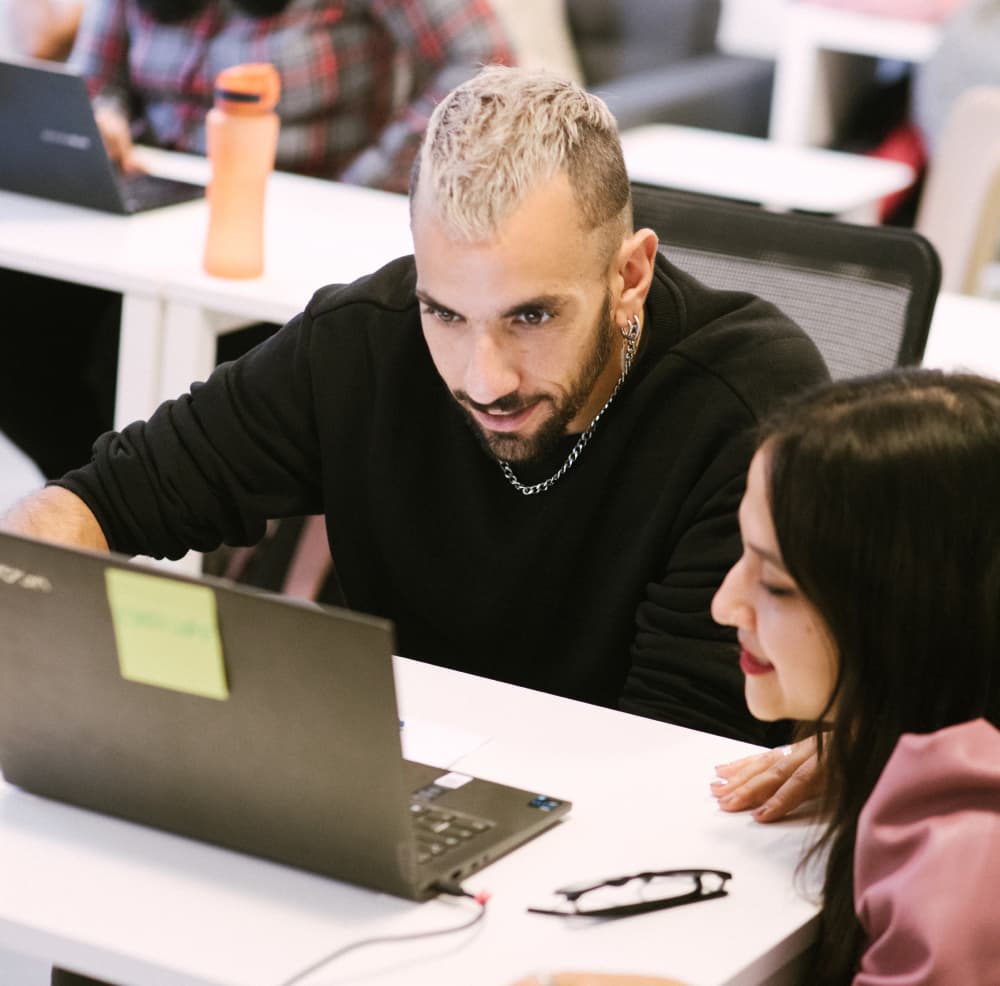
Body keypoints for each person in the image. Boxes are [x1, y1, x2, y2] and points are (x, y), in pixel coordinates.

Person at [4, 66, 828, 747]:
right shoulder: (364, 338)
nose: (485, 378)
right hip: (410, 778)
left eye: (531, 316)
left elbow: (677, 755)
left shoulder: (747, 403)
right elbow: (103, 500)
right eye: (446, 312)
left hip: (619, 834)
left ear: (630, 276)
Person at [518, 368, 1000, 986]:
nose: (724, 605)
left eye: (775, 583)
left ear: (915, 611)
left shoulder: (969, 859)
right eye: (740, 554)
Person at [0, 0, 512, 481]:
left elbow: (483, 61)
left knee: (129, 350)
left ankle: (170, 513)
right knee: (18, 311)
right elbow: (97, 79)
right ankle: (100, 507)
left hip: (311, 223)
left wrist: (373, 173)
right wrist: (105, 123)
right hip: (159, 206)